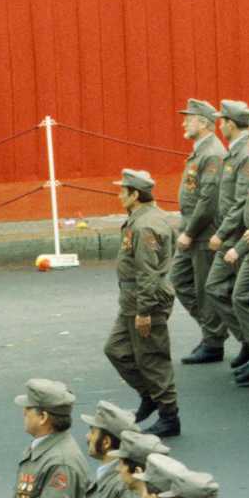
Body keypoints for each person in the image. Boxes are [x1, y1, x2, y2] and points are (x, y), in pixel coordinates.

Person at [106, 170, 179, 437]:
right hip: (133, 299)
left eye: (123, 191)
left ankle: (169, 415)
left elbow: (147, 272)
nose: (119, 195)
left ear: (135, 195)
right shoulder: (142, 217)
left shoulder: (145, 225)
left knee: (153, 359)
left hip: (144, 299)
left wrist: (144, 311)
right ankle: (150, 395)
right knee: (116, 349)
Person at [11, 380, 88, 498]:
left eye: (28, 408)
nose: (23, 412)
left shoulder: (61, 463)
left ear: (43, 417)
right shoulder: (47, 447)